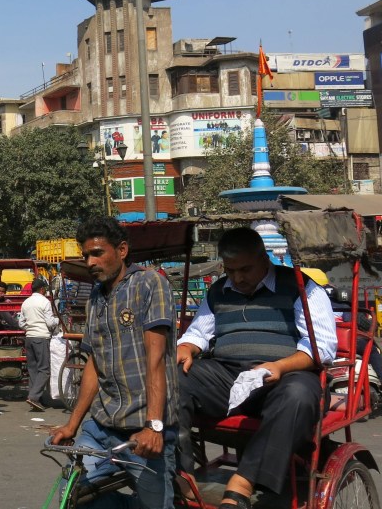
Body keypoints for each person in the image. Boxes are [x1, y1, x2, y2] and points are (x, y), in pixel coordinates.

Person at [176, 227, 337, 509]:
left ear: (264, 258)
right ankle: (181, 475)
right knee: (172, 378)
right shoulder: (218, 291)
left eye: (246, 269)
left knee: (298, 394)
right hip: (227, 376)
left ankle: (243, 482)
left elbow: (321, 348)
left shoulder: (301, 287)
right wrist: (186, 348)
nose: (238, 278)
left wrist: (280, 366)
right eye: (230, 270)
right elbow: (198, 334)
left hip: (285, 376)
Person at [51, 217, 178, 509]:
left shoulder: (149, 283)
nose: (90, 262)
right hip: (101, 427)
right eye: (86, 255)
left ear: (121, 250)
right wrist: (72, 424)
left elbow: (156, 359)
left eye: (97, 253)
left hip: (143, 429)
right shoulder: (95, 297)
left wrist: (154, 426)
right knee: (73, 496)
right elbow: (94, 364)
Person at [21, 277, 60, 411]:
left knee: (33, 369)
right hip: (41, 337)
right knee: (44, 370)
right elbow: (50, 322)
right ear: (42, 289)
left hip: (29, 338)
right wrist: (57, 321)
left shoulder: (26, 302)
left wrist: (30, 327)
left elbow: (21, 323)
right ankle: (33, 396)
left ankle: (35, 398)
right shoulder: (45, 302)